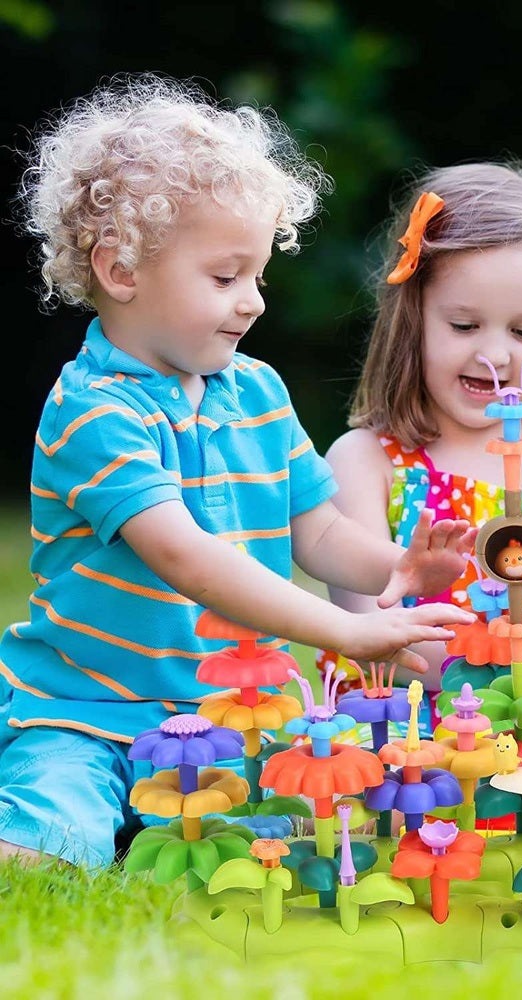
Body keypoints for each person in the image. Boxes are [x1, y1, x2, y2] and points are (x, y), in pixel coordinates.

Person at [0, 74, 478, 867]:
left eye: (258, 275)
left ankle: (163, 821)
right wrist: (346, 630)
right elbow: (188, 556)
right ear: (121, 271)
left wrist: (399, 566)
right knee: (49, 847)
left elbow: (316, 527)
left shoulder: (254, 391)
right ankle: (75, 815)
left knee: (324, 822)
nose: (253, 302)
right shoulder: (92, 412)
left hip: (230, 712)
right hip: (83, 712)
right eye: (225, 278)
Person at [320, 161, 522, 737]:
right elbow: (367, 633)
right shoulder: (365, 462)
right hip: (401, 725)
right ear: (412, 319)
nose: (495, 356)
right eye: (465, 325)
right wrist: (495, 670)